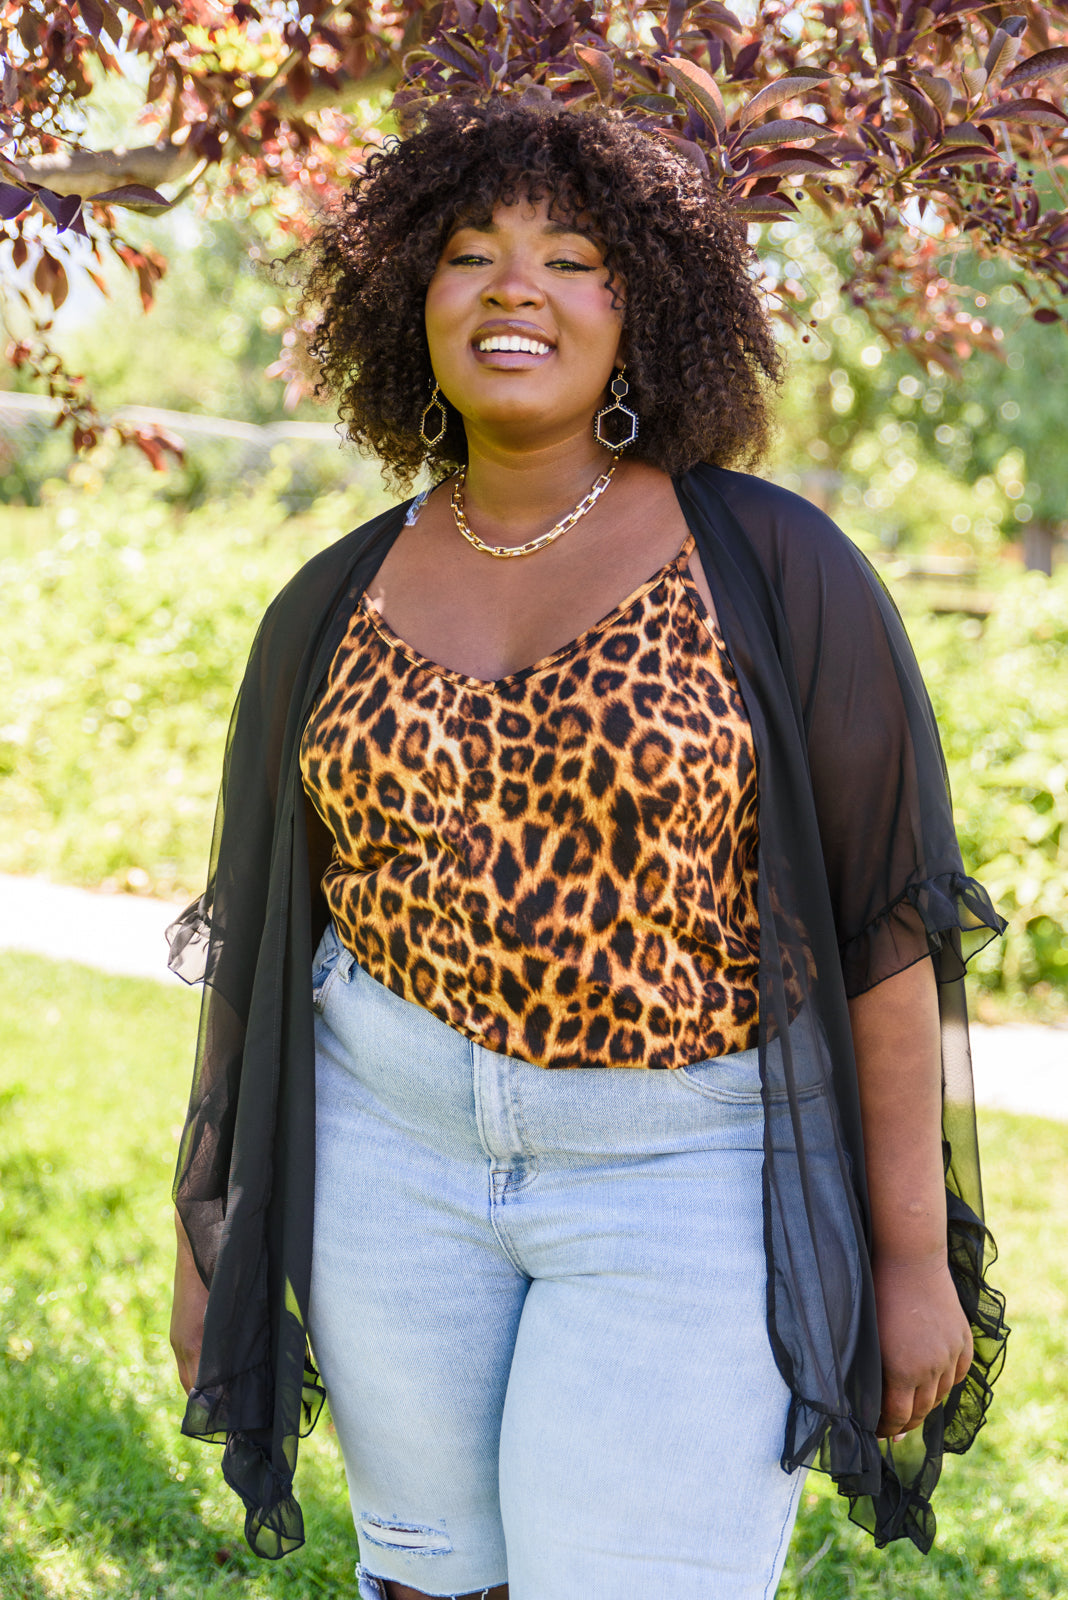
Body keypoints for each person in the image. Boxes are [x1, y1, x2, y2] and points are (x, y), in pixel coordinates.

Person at [168, 99, 1008, 1600]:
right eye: (469, 254)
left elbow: (887, 926)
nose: (515, 288)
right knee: (430, 1582)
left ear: (645, 312)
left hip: (681, 1172)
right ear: (410, 300)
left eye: (571, 258)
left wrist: (909, 1257)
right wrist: (209, 1241)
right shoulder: (330, 600)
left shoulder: (771, 568)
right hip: (389, 1158)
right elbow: (261, 937)